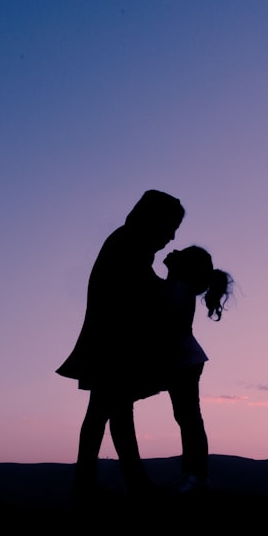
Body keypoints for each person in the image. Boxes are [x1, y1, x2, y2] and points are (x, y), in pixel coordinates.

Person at [56, 190, 185, 500]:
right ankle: (109, 483)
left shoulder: (128, 242)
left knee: (111, 412)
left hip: (110, 344)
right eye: (169, 228)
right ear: (154, 221)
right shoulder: (130, 244)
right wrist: (174, 279)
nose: (170, 237)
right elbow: (141, 290)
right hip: (111, 346)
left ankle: (107, 481)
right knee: (108, 412)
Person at [160, 245, 233, 494]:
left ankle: (198, 477)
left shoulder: (180, 289)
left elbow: (168, 316)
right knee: (187, 418)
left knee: (188, 419)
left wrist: (171, 271)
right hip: (185, 360)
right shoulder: (182, 288)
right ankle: (192, 474)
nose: (175, 250)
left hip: (183, 361)